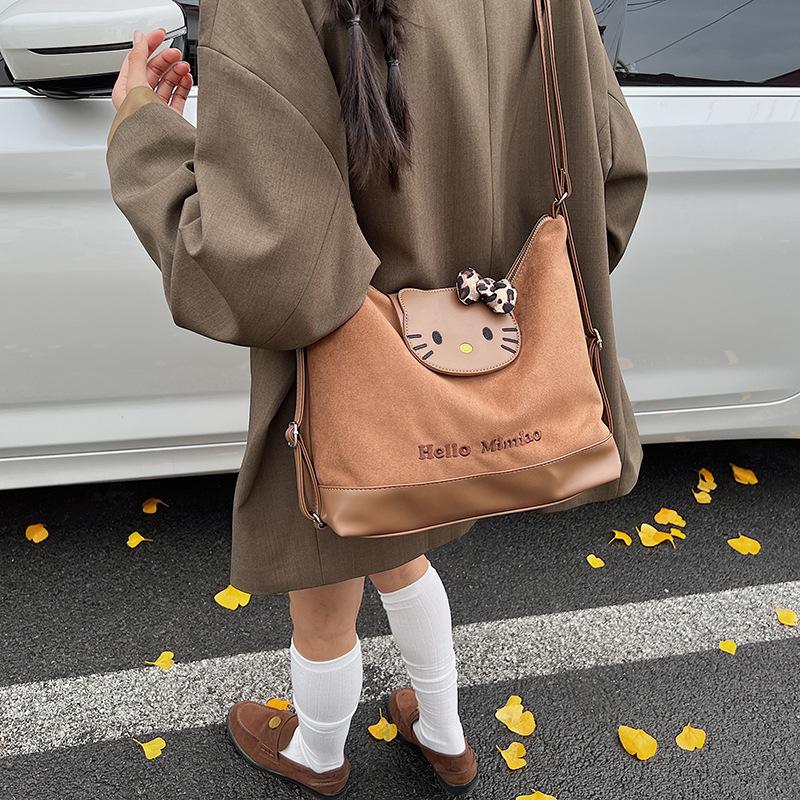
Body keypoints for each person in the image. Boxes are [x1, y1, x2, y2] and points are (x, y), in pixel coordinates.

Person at [106, 1, 647, 796]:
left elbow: (264, 271)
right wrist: (485, 300)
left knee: (329, 565)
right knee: (398, 537)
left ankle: (318, 752)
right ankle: (443, 732)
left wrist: (140, 131)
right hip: (465, 374)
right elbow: (612, 173)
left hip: (344, 377)